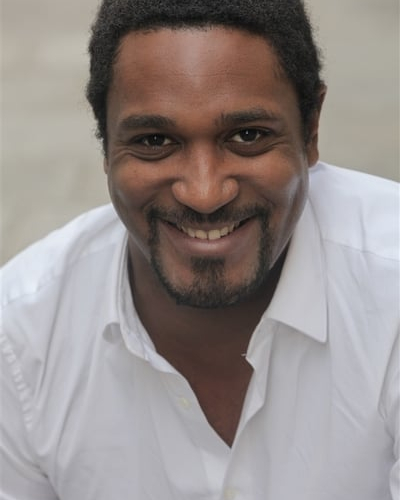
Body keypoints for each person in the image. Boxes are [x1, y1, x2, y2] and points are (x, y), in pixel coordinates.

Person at [1, 0, 398, 498]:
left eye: (248, 136)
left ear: (311, 128)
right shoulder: (21, 340)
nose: (205, 194)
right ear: (105, 143)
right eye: (154, 141)